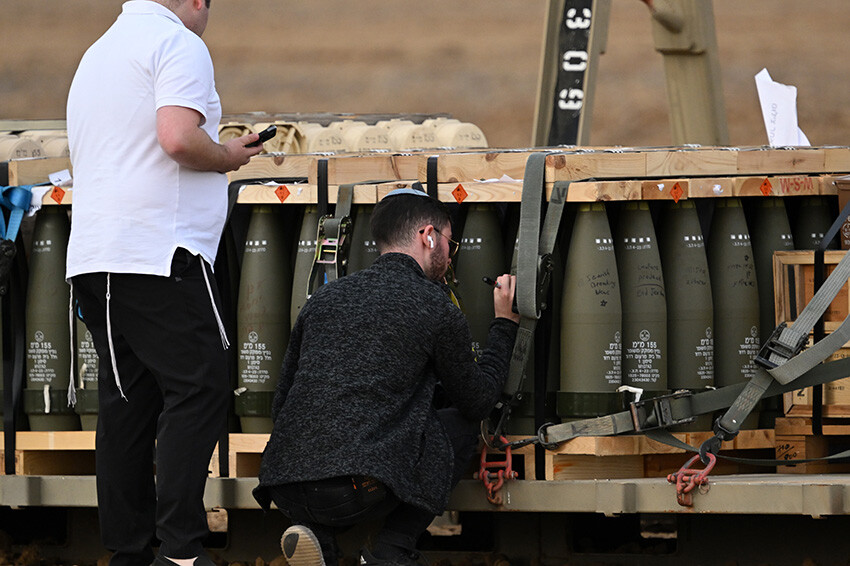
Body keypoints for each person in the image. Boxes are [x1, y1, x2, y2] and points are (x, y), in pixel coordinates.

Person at [65, 1, 264, 565]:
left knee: (127, 403)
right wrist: (226, 155)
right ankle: (180, 550)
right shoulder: (177, 43)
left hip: (94, 259)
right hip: (160, 251)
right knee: (200, 387)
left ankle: (128, 553)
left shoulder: (97, 53)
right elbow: (177, 137)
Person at [253, 188, 520, 566]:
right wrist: (504, 325)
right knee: (459, 423)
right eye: (450, 242)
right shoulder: (434, 307)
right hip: (358, 488)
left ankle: (320, 538)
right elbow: (477, 400)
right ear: (429, 236)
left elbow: (283, 402)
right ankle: (391, 551)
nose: (450, 252)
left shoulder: (324, 300)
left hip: (286, 484)